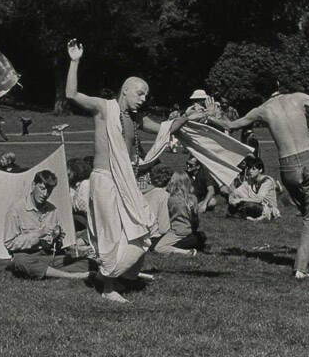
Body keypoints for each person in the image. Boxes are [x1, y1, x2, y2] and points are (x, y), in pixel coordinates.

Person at [66, 39, 200, 301]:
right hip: (105, 180)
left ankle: (120, 275)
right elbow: (72, 95)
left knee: (140, 226)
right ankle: (108, 287)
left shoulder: (136, 119)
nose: (143, 98)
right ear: (125, 90)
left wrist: (187, 117)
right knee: (111, 233)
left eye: (146, 95)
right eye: (140, 93)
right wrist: (74, 61)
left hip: (125, 182)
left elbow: (164, 129)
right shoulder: (105, 108)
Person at [209, 62, 309, 279]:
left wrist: (211, 115)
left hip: (287, 167)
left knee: (308, 214)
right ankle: (301, 268)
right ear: (277, 84)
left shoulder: (261, 110)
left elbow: (230, 125)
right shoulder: (298, 97)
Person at [3, 170, 91, 280]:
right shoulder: (16, 210)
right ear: (33, 185)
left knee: (87, 262)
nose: (45, 194)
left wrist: (58, 238)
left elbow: (56, 244)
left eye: (49, 191)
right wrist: (38, 234)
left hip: (48, 256)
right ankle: (70, 275)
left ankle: (47, 272)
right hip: (26, 256)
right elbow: (9, 243)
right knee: (20, 261)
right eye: (42, 188)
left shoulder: (52, 210)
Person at [154, 171, 206, 255]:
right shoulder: (193, 198)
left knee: (158, 248)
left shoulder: (172, 199)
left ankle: (186, 252)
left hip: (177, 231)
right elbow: (196, 219)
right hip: (190, 230)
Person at [142, 164, 172, 248]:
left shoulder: (145, 193)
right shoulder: (164, 196)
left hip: (140, 234)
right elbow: (164, 228)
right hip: (153, 237)